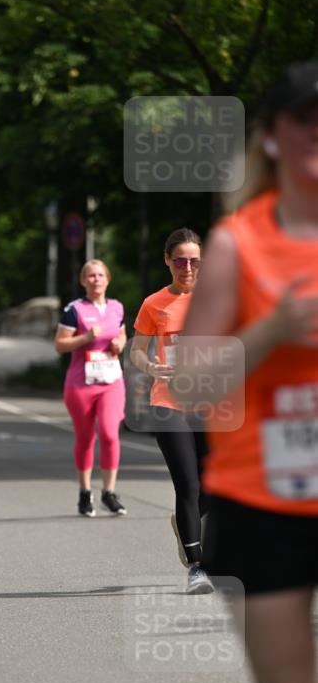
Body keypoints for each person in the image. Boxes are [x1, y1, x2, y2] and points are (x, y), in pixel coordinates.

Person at [176, 61, 318, 683]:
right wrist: (268, 333)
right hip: (264, 498)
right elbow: (188, 380)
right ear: (271, 137)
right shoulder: (239, 241)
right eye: (305, 123)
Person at [129, 229, 214, 595]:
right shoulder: (154, 304)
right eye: (180, 260)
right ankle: (197, 566)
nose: (188, 268)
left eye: (195, 261)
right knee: (188, 485)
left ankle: (186, 526)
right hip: (169, 404)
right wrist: (151, 368)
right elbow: (136, 351)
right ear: (168, 260)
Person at [55, 259, 127, 516]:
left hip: (111, 381)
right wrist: (86, 338)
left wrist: (120, 344)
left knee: (109, 433)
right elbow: (60, 344)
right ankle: (85, 493)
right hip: (81, 384)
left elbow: (122, 334)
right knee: (86, 438)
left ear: (107, 279)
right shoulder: (74, 310)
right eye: (91, 276)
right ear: (83, 281)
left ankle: (109, 492)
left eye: (100, 275)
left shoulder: (117, 307)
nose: (96, 280)